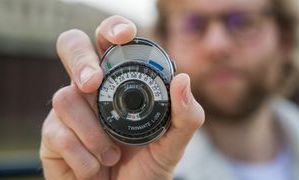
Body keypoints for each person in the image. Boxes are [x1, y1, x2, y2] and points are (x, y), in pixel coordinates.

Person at [39, 0, 299, 179]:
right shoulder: (133, 157)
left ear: (284, 39)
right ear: (165, 42)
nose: (217, 45)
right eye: (194, 25)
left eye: (242, 23)